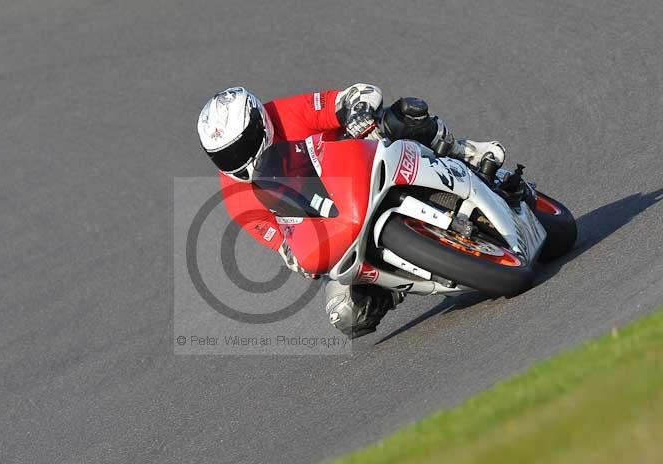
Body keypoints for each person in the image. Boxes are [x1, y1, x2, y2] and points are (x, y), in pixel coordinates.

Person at [196, 85, 504, 338]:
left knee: (402, 116)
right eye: (225, 155)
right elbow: (284, 245)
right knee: (346, 314)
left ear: (260, 121)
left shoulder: (284, 113)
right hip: (337, 224)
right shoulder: (236, 198)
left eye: (243, 144)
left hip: (361, 168)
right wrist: (298, 257)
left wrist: (357, 110)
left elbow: (357, 93)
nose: (240, 159)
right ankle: (400, 280)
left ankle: (465, 153)